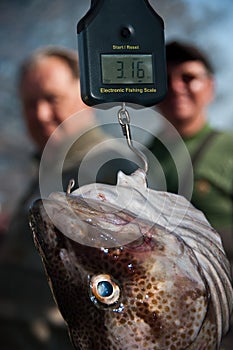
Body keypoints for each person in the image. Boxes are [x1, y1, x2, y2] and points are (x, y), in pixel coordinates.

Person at [0, 46, 136, 350]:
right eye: (29, 103)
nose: (40, 114)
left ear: (87, 97)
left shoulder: (110, 172)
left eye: (52, 98)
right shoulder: (50, 169)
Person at [148, 40, 233, 348]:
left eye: (189, 77)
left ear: (210, 87)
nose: (176, 87)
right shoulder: (136, 160)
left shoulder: (228, 150)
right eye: (165, 79)